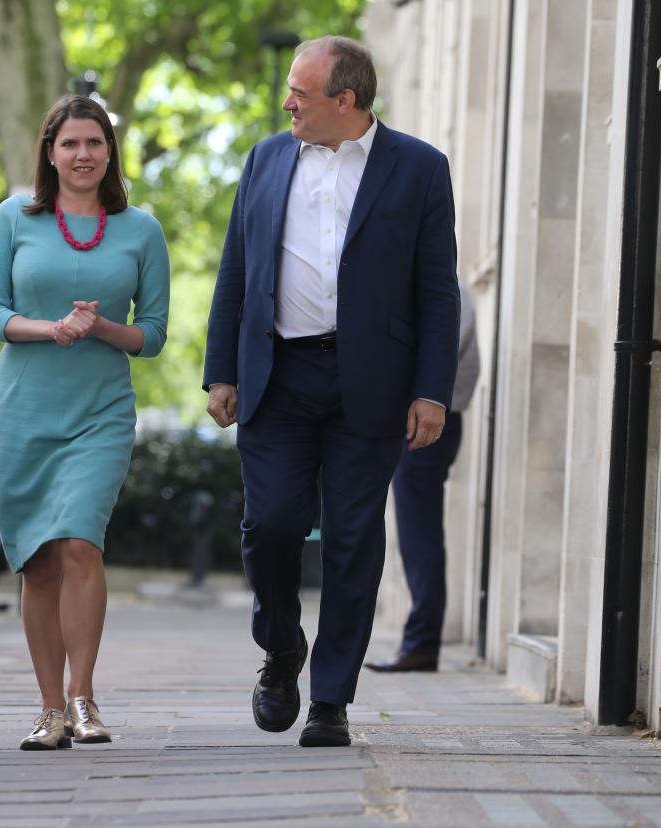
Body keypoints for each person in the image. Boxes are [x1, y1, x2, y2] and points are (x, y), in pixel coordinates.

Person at [203, 36, 460, 748]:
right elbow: (236, 271)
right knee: (273, 524)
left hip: (370, 386)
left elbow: (438, 291)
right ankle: (282, 647)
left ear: (345, 101)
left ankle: (331, 700)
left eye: (301, 92)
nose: (287, 103)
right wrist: (220, 369)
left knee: (352, 538)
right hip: (277, 377)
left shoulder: (418, 169)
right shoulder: (265, 159)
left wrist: (431, 390)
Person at [0, 95, 170, 751]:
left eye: (94, 142)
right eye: (69, 144)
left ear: (110, 152)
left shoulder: (141, 229)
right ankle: (49, 708)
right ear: (50, 152)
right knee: (38, 563)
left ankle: (85, 698)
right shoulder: (14, 217)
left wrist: (100, 327)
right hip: (23, 410)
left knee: (81, 543)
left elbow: (153, 336)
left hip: (101, 411)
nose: (82, 154)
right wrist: (51, 329)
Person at [365, 287, 480, 674]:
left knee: (419, 534)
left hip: (430, 422)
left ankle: (422, 643)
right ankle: (420, 642)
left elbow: (443, 352)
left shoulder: (451, 294)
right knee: (416, 533)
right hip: (421, 421)